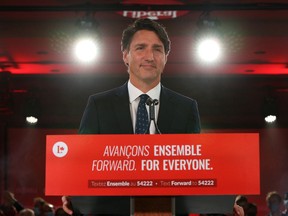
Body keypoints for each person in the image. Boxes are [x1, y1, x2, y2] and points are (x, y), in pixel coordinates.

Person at [62, 18, 242, 216]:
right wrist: (74, 197)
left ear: (165, 58)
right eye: (141, 48)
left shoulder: (186, 107)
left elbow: (196, 172)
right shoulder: (98, 105)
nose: (150, 56)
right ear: (125, 56)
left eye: (157, 49)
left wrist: (220, 208)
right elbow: (82, 164)